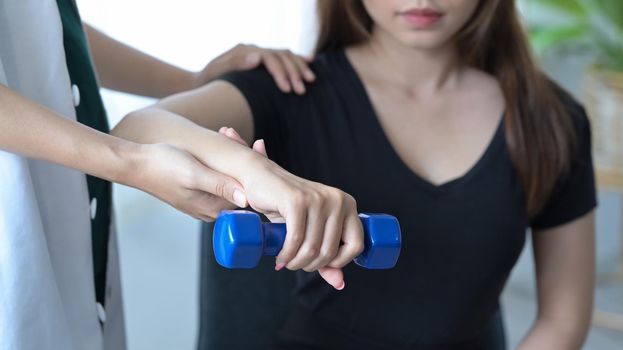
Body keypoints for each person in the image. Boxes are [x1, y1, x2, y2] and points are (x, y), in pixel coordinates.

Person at [112, 0, 597, 349]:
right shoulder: (288, 90)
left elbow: (564, 318)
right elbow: (137, 131)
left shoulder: (553, 120)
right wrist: (249, 168)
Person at [0, 1, 364, 349]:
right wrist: (136, 162)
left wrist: (191, 81)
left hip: (70, 229)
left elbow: (45, 29)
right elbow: (137, 130)